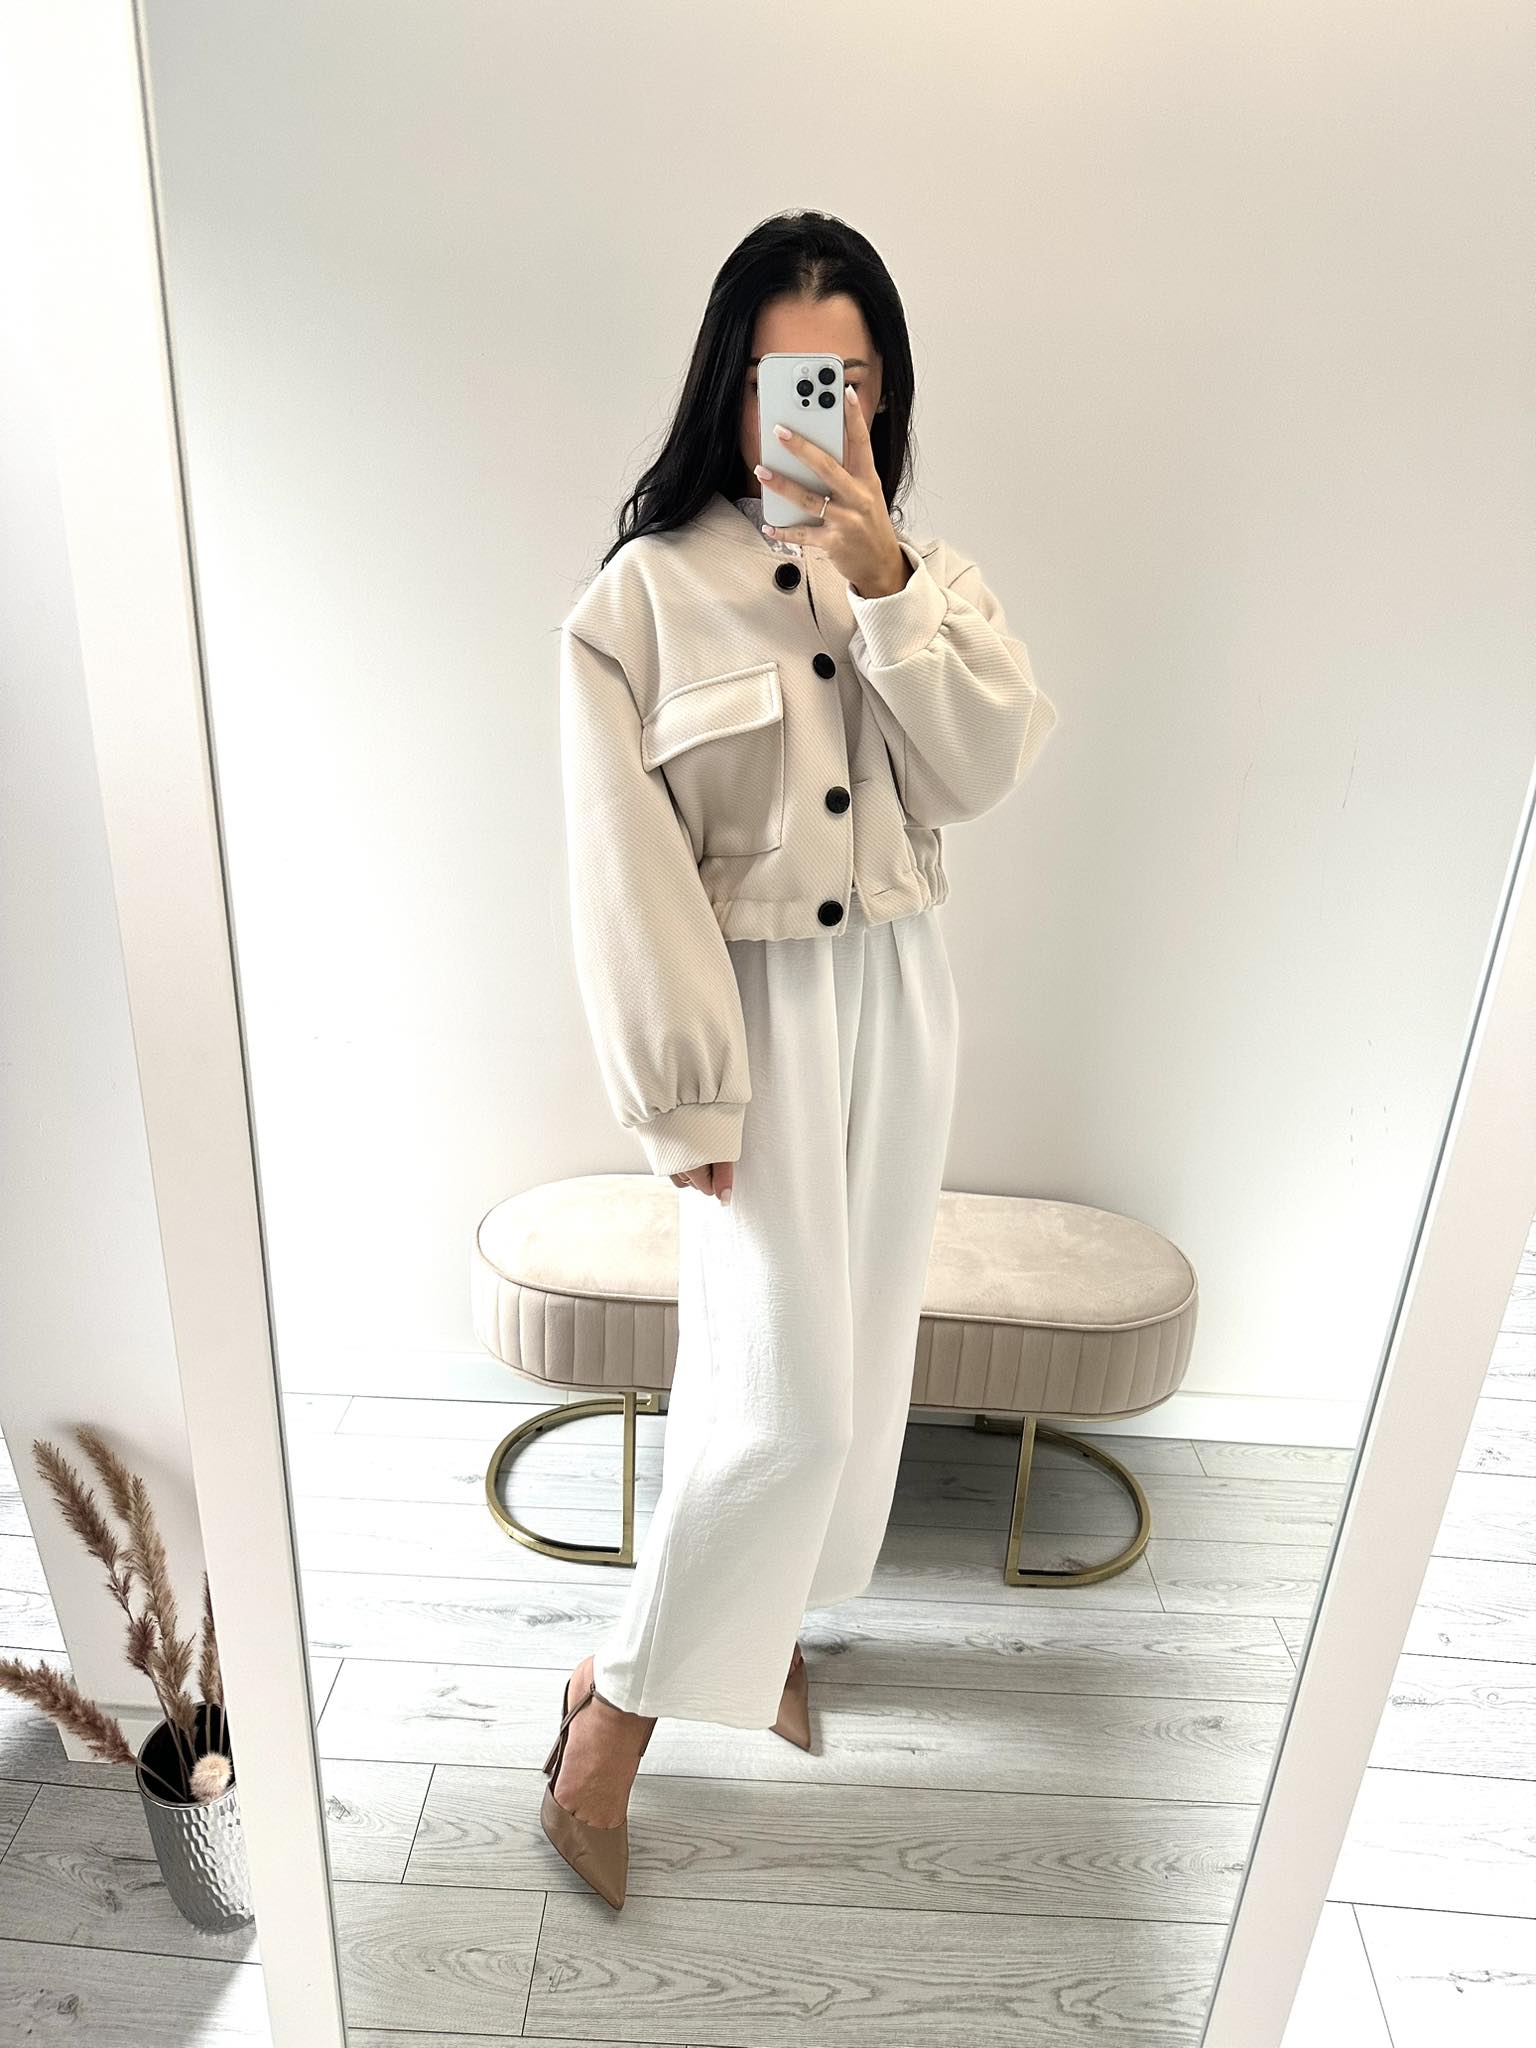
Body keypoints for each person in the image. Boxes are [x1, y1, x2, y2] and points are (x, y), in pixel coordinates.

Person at [546, 209, 1059, 1908]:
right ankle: (612, 1715)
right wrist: (680, 1084)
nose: (815, 411)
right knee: (781, 1407)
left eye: (843, 378)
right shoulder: (640, 600)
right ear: (732, 385)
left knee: (846, 1372)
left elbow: (981, 771)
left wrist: (887, 586)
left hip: (900, 1003)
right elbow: (620, 868)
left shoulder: (932, 582)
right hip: (748, 1023)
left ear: (882, 390)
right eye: (784, 379)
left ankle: (759, 1633)